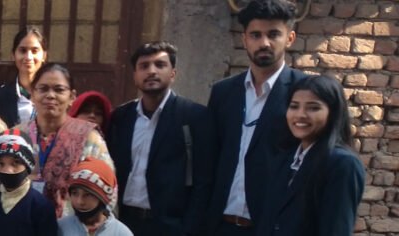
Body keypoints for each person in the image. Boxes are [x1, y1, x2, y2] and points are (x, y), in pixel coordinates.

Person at [205, 1, 308, 234]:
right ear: (244, 40)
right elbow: (210, 157)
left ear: (290, 38)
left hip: (272, 226)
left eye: (273, 34)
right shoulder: (223, 92)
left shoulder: (304, 92)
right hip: (220, 224)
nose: (264, 43)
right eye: (255, 35)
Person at [105, 42, 216, 235]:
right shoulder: (121, 117)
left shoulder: (193, 117)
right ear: (135, 76)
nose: (151, 71)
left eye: (160, 65)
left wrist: (189, 228)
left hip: (169, 226)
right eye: (144, 66)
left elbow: (203, 181)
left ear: (173, 73)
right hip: (123, 222)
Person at [0, 62, 114, 218]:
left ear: (72, 97)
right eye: (43, 89)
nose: (50, 95)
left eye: (59, 90)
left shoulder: (88, 137)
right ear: (32, 94)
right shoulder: (15, 136)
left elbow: (108, 191)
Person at [256, 76, 365, 235]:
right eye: (294, 106)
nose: (300, 115)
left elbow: (336, 230)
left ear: (333, 113)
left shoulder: (342, 164)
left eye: (313, 108)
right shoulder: (285, 158)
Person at [0, 129, 57, 236]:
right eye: (0, 164)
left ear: (28, 165)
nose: (7, 170)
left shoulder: (41, 206)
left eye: (15, 163)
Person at [58, 158, 132, 236]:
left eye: (87, 195)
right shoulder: (60, 228)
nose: (80, 201)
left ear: (103, 198)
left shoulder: (121, 233)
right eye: (74, 193)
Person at [0, 27, 47, 127]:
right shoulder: (1, 96)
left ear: (44, 56)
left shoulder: (52, 94)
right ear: (13, 55)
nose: (28, 57)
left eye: (34, 51)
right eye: (23, 51)